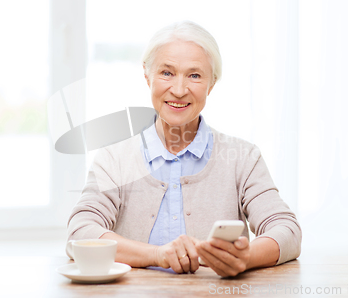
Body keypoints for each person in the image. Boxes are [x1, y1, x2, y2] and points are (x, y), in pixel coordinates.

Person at [67, 20, 301, 277]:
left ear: (211, 84)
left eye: (195, 75)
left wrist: (246, 258)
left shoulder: (243, 158)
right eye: (166, 73)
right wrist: (157, 254)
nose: (178, 90)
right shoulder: (115, 158)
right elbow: (81, 231)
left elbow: (287, 231)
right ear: (147, 77)